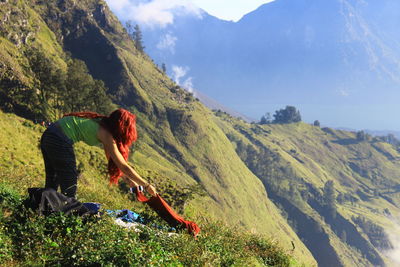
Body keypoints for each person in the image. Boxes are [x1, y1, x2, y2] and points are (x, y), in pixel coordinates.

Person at [40, 108, 157, 198]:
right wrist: (146, 185)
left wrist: (129, 181)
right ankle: (64, 218)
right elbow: (124, 166)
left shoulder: (102, 125)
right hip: (59, 140)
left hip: (49, 134)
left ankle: (44, 210)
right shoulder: (106, 135)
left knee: (52, 181)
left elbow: (115, 162)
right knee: (70, 186)